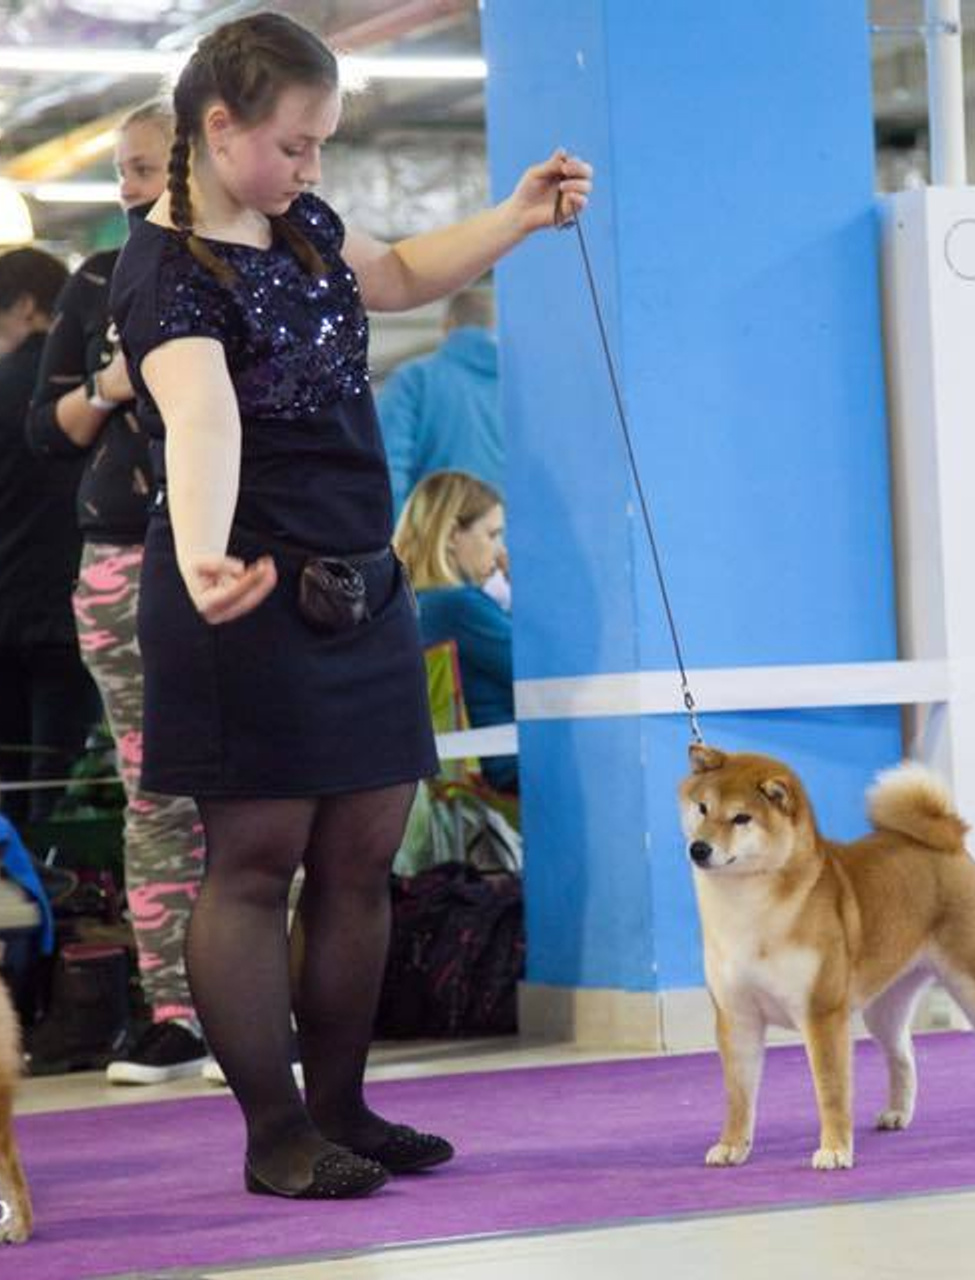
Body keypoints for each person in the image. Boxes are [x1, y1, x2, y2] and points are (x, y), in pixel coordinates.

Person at [109, 12, 589, 1198]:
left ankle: (343, 1107)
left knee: (362, 858)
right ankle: (274, 1133)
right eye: (294, 144)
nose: (312, 167)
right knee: (253, 864)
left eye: (322, 144)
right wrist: (209, 551)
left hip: (360, 581)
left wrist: (517, 218)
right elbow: (204, 420)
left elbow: (403, 272)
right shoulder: (159, 271)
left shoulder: (301, 223)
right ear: (217, 130)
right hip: (244, 590)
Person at [25, 100, 211, 1086]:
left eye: (148, 170)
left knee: (253, 788)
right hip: (121, 554)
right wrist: (112, 386)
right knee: (155, 794)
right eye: (125, 172)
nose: (133, 190)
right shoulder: (100, 276)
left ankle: (253, 1002)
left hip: (230, 553)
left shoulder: (247, 258)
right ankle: (174, 1008)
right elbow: (46, 431)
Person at [0, 247, 99, 830]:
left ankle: (15, 911)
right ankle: (62, 902)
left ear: (28, 306)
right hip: (74, 612)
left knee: (9, 788)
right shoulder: (94, 393)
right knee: (64, 794)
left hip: (4, 612)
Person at [394, 471, 516, 792]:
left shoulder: (416, 606)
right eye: (493, 535)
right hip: (509, 768)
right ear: (451, 536)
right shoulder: (459, 607)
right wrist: (525, 590)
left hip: (451, 780)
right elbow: (539, 670)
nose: (501, 551)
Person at [378, 287, 501, 517]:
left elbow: (387, 473)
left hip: (434, 541)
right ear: (494, 327)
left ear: (448, 325)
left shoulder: (414, 380)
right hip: (503, 544)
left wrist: (403, 541)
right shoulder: (521, 389)